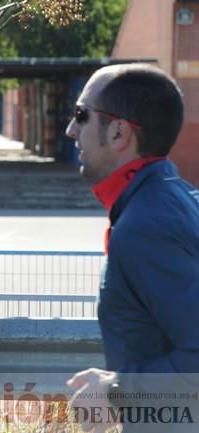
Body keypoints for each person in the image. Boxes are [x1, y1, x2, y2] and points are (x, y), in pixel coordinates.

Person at [64, 64, 199, 432]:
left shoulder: (146, 224)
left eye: (80, 115)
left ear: (119, 131)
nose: (71, 130)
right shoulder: (175, 197)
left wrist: (116, 389)